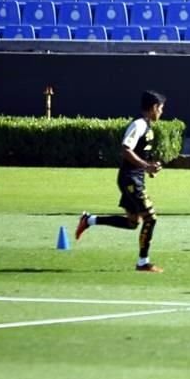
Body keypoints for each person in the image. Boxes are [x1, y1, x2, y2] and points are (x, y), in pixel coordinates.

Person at [75, 90, 167, 273]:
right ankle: (143, 262)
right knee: (151, 218)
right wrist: (145, 166)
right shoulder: (138, 125)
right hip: (129, 179)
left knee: (133, 222)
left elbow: (139, 154)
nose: (162, 112)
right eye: (161, 108)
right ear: (153, 107)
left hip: (135, 178)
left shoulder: (148, 126)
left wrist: (149, 167)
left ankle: (89, 220)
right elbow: (126, 149)